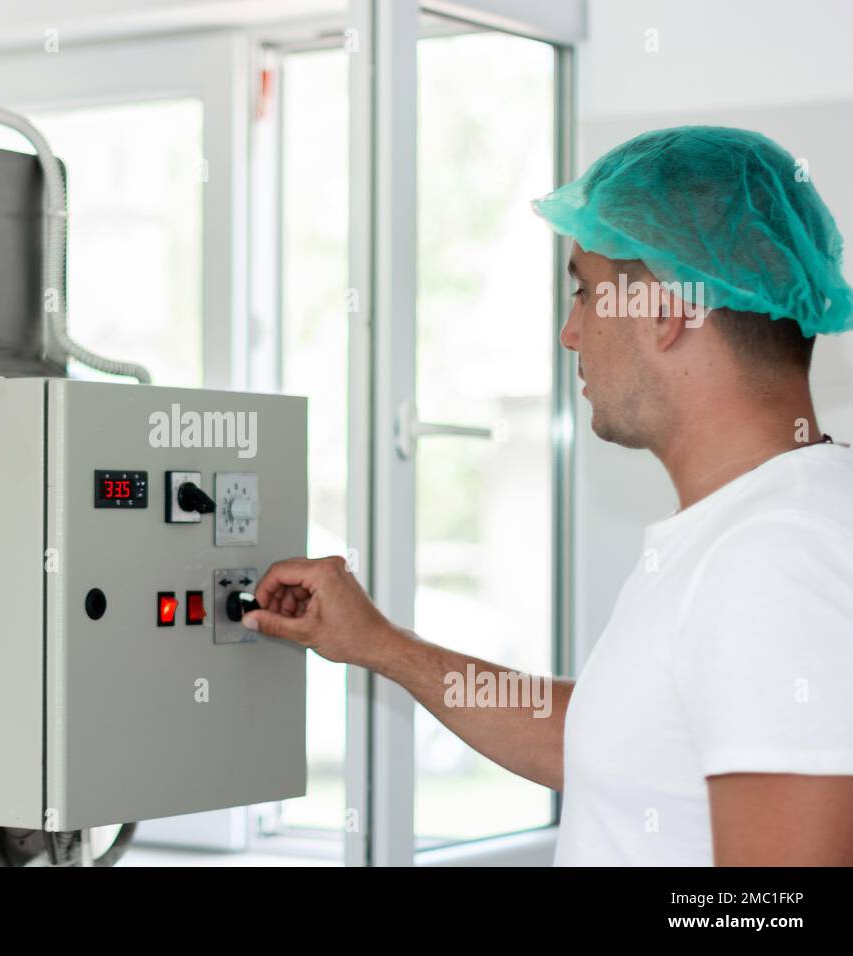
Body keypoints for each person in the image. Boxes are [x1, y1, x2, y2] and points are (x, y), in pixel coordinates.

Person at [242, 126, 853, 866]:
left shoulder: (772, 560)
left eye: (586, 292)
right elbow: (617, 745)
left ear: (665, 311)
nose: (570, 332)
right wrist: (379, 644)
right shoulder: (765, 525)